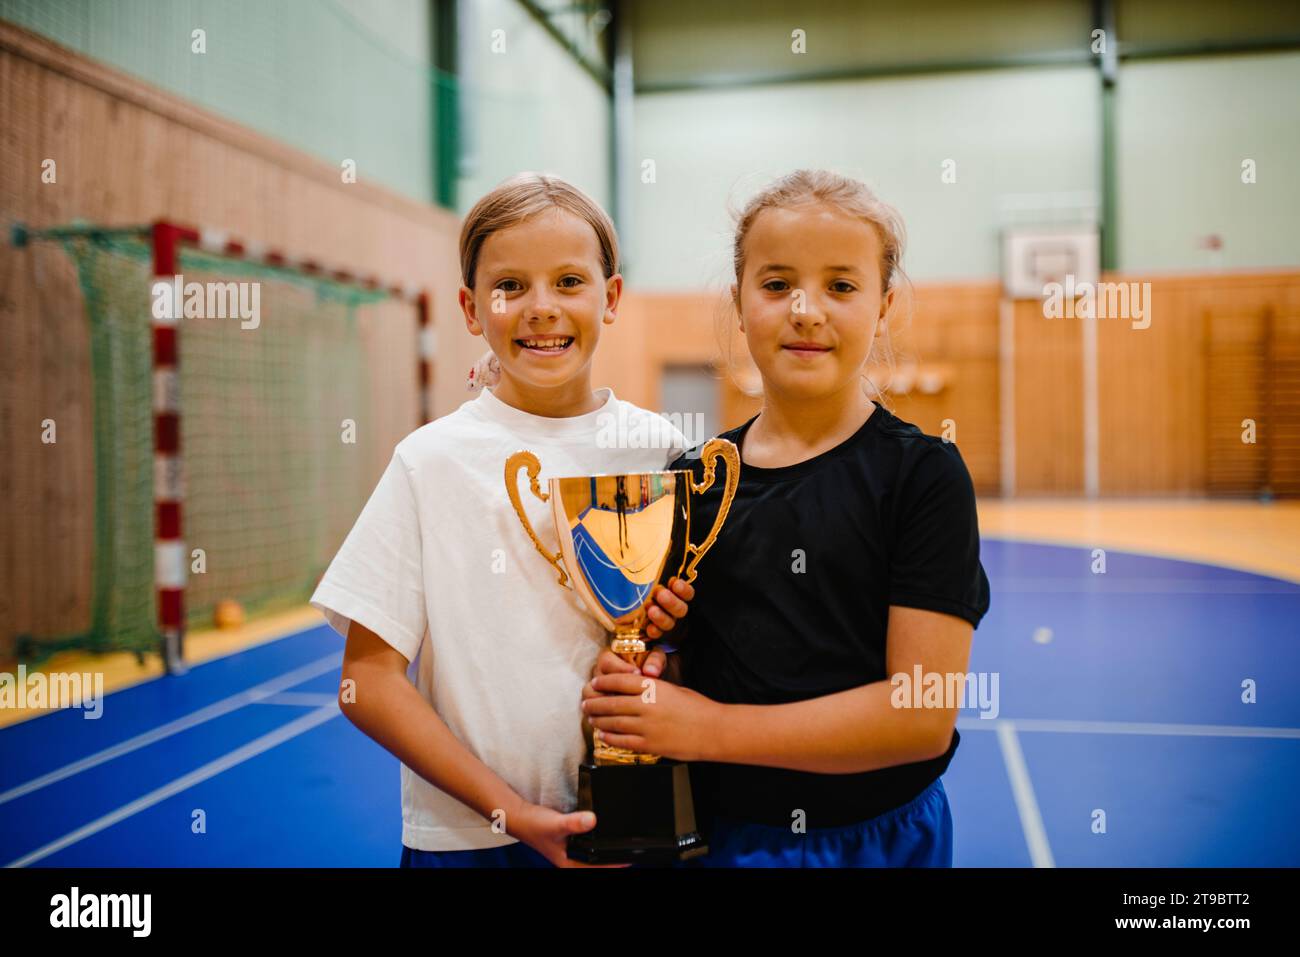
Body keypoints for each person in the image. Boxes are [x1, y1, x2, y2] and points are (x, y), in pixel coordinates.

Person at [582, 169, 991, 867]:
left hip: (878, 840)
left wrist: (708, 729)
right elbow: (690, 667)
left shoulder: (923, 477)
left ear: (884, 305)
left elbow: (921, 715)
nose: (805, 309)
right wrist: (648, 675)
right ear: (739, 303)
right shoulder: (694, 480)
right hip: (724, 837)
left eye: (840, 285)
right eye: (776, 285)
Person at [311, 173, 694, 867]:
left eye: (569, 282)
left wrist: (668, 645)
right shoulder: (428, 461)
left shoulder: (664, 452)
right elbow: (365, 682)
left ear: (610, 298)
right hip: (467, 836)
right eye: (510, 286)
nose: (541, 308)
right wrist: (510, 811)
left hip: (633, 825)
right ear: (470, 307)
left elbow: (692, 645)